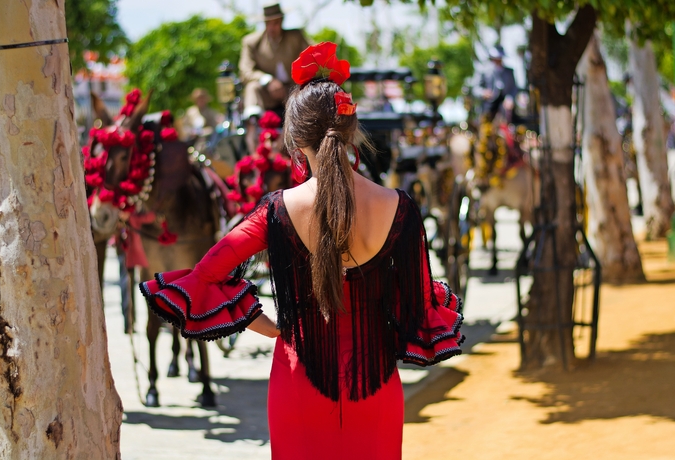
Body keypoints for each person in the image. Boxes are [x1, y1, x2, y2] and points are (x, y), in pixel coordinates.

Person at [140, 42, 464, 459]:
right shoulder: (400, 207)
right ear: (351, 129)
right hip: (375, 385)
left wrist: (269, 327)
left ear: (294, 139)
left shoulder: (276, 210)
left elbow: (204, 275)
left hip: (298, 382)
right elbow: (418, 304)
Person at [238, 3, 310, 120]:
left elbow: (313, 57)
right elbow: (245, 71)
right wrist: (268, 80)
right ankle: (253, 125)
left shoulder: (296, 37)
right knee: (252, 88)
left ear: (282, 21)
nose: (271, 27)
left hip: (294, 90)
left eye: (275, 23)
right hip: (266, 92)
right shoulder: (252, 42)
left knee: (310, 90)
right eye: (268, 23)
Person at [472, 45, 517, 122]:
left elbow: (514, 88)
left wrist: (510, 98)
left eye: (499, 58)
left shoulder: (509, 72)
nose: (497, 60)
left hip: (504, 108)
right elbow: (475, 89)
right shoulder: (483, 71)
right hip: (488, 106)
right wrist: (483, 93)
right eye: (495, 58)